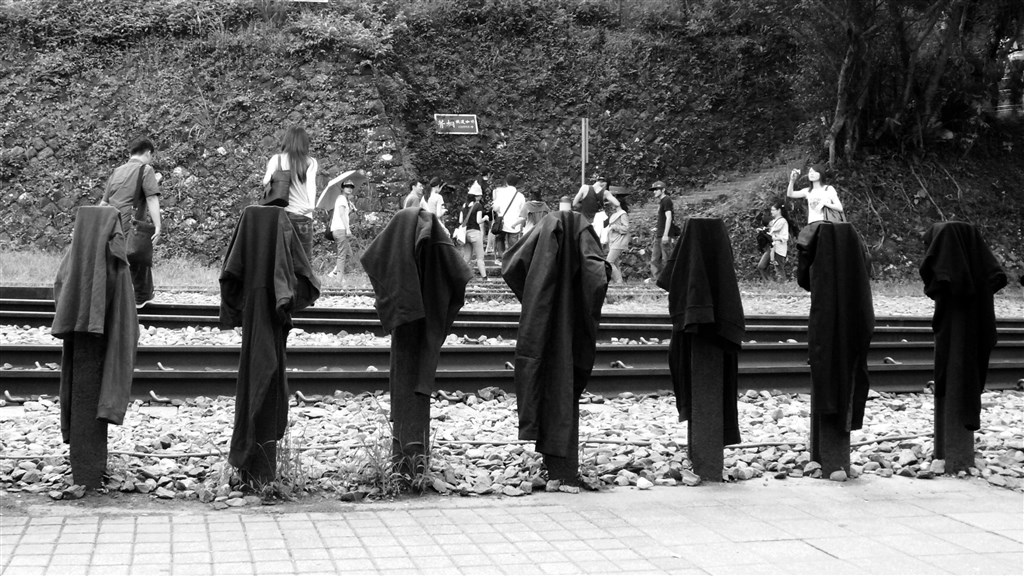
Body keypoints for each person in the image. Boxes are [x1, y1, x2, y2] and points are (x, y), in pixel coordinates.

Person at [99, 136, 162, 307]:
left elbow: (104, 203)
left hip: (112, 221)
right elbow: (151, 198)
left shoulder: (117, 171)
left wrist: (98, 225)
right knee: (138, 254)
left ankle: (118, 299)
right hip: (131, 223)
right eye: (151, 155)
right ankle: (141, 297)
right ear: (148, 153)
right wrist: (157, 225)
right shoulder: (145, 169)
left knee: (117, 259)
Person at [263, 126, 317, 260]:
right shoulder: (310, 162)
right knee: (303, 259)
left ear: (286, 140)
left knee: (281, 258)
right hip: (303, 214)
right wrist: (312, 205)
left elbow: (265, 181)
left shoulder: (277, 159)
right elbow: (311, 185)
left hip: (281, 214)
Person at [492, 175, 525, 263]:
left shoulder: (500, 193)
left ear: (506, 182)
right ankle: (511, 261)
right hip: (514, 224)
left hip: (501, 222)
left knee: (500, 239)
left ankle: (501, 258)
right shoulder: (520, 196)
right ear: (517, 184)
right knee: (513, 245)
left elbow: (495, 208)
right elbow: (523, 211)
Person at [328, 180, 356, 285]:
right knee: (342, 255)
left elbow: (344, 213)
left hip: (339, 229)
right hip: (341, 229)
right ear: (342, 188)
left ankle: (335, 273)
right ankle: (338, 280)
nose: (349, 188)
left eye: (351, 187)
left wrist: (350, 209)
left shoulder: (344, 200)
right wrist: (347, 228)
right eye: (347, 186)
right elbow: (341, 214)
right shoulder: (341, 199)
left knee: (348, 254)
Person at [460, 181, 487, 279]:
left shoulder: (464, 205)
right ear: (477, 196)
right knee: (480, 257)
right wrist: (485, 218)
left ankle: (458, 275)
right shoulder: (478, 206)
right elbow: (478, 220)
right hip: (475, 233)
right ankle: (485, 277)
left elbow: (460, 220)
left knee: (466, 257)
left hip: (465, 234)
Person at [757, 201, 790, 282]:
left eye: (773, 210)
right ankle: (769, 283)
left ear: (779, 210)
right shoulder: (774, 221)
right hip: (771, 247)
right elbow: (770, 231)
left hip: (778, 249)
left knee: (779, 269)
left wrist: (774, 238)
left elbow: (785, 237)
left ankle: (782, 285)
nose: (771, 212)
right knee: (761, 266)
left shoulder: (782, 221)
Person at [649, 180, 675, 281]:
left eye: (656, 189)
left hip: (665, 235)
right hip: (659, 234)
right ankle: (658, 280)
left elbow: (669, 217)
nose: (654, 191)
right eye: (653, 190)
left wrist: (665, 234)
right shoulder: (662, 201)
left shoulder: (666, 200)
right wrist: (658, 228)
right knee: (655, 258)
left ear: (663, 190)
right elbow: (663, 219)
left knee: (666, 258)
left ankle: (669, 280)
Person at [605, 196, 630, 283]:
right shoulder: (614, 214)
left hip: (619, 241)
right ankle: (619, 282)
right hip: (613, 240)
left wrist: (615, 227)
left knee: (609, 262)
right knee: (615, 263)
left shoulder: (623, 214)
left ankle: (619, 281)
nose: (611, 205)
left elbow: (626, 228)